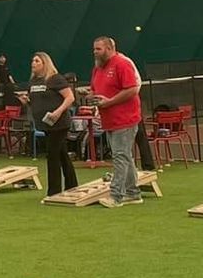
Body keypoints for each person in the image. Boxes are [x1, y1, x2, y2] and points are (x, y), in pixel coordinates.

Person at [90, 36, 144, 208]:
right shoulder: (98, 68)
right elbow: (95, 89)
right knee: (125, 156)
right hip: (109, 119)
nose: (95, 52)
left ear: (109, 48)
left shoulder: (121, 63)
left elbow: (132, 89)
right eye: (94, 49)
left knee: (119, 156)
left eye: (98, 49)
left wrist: (109, 101)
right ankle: (133, 193)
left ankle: (116, 196)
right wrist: (92, 96)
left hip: (125, 118)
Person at [19, 52, 76, 195]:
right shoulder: (32, 82)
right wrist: (26, 102)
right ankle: (72, 185)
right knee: (62, 154)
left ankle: (54, 191)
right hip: (44, 124)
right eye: (32, 61)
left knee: (52, 155)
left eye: (37, 61)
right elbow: (37, 102)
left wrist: (58, 111)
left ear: (45, 63)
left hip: (59, 123)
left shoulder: (55, 79)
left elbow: (70, 97)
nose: (33, 63)